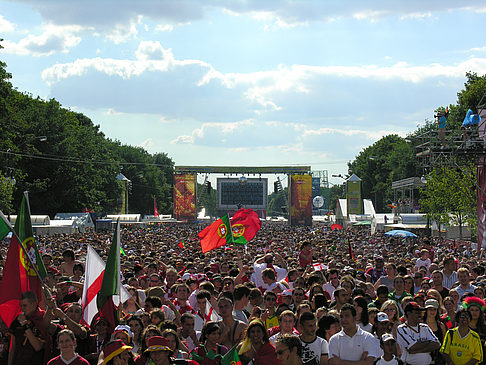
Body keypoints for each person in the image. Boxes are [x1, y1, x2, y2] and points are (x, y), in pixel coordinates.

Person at [9, 290, 51, 365]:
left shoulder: (41, 319)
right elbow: (12, 347)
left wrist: (25, 325)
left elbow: (38, 347)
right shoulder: (17, 321)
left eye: (25, 305)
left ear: (34, 304)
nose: (22, 309)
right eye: (21, 306)